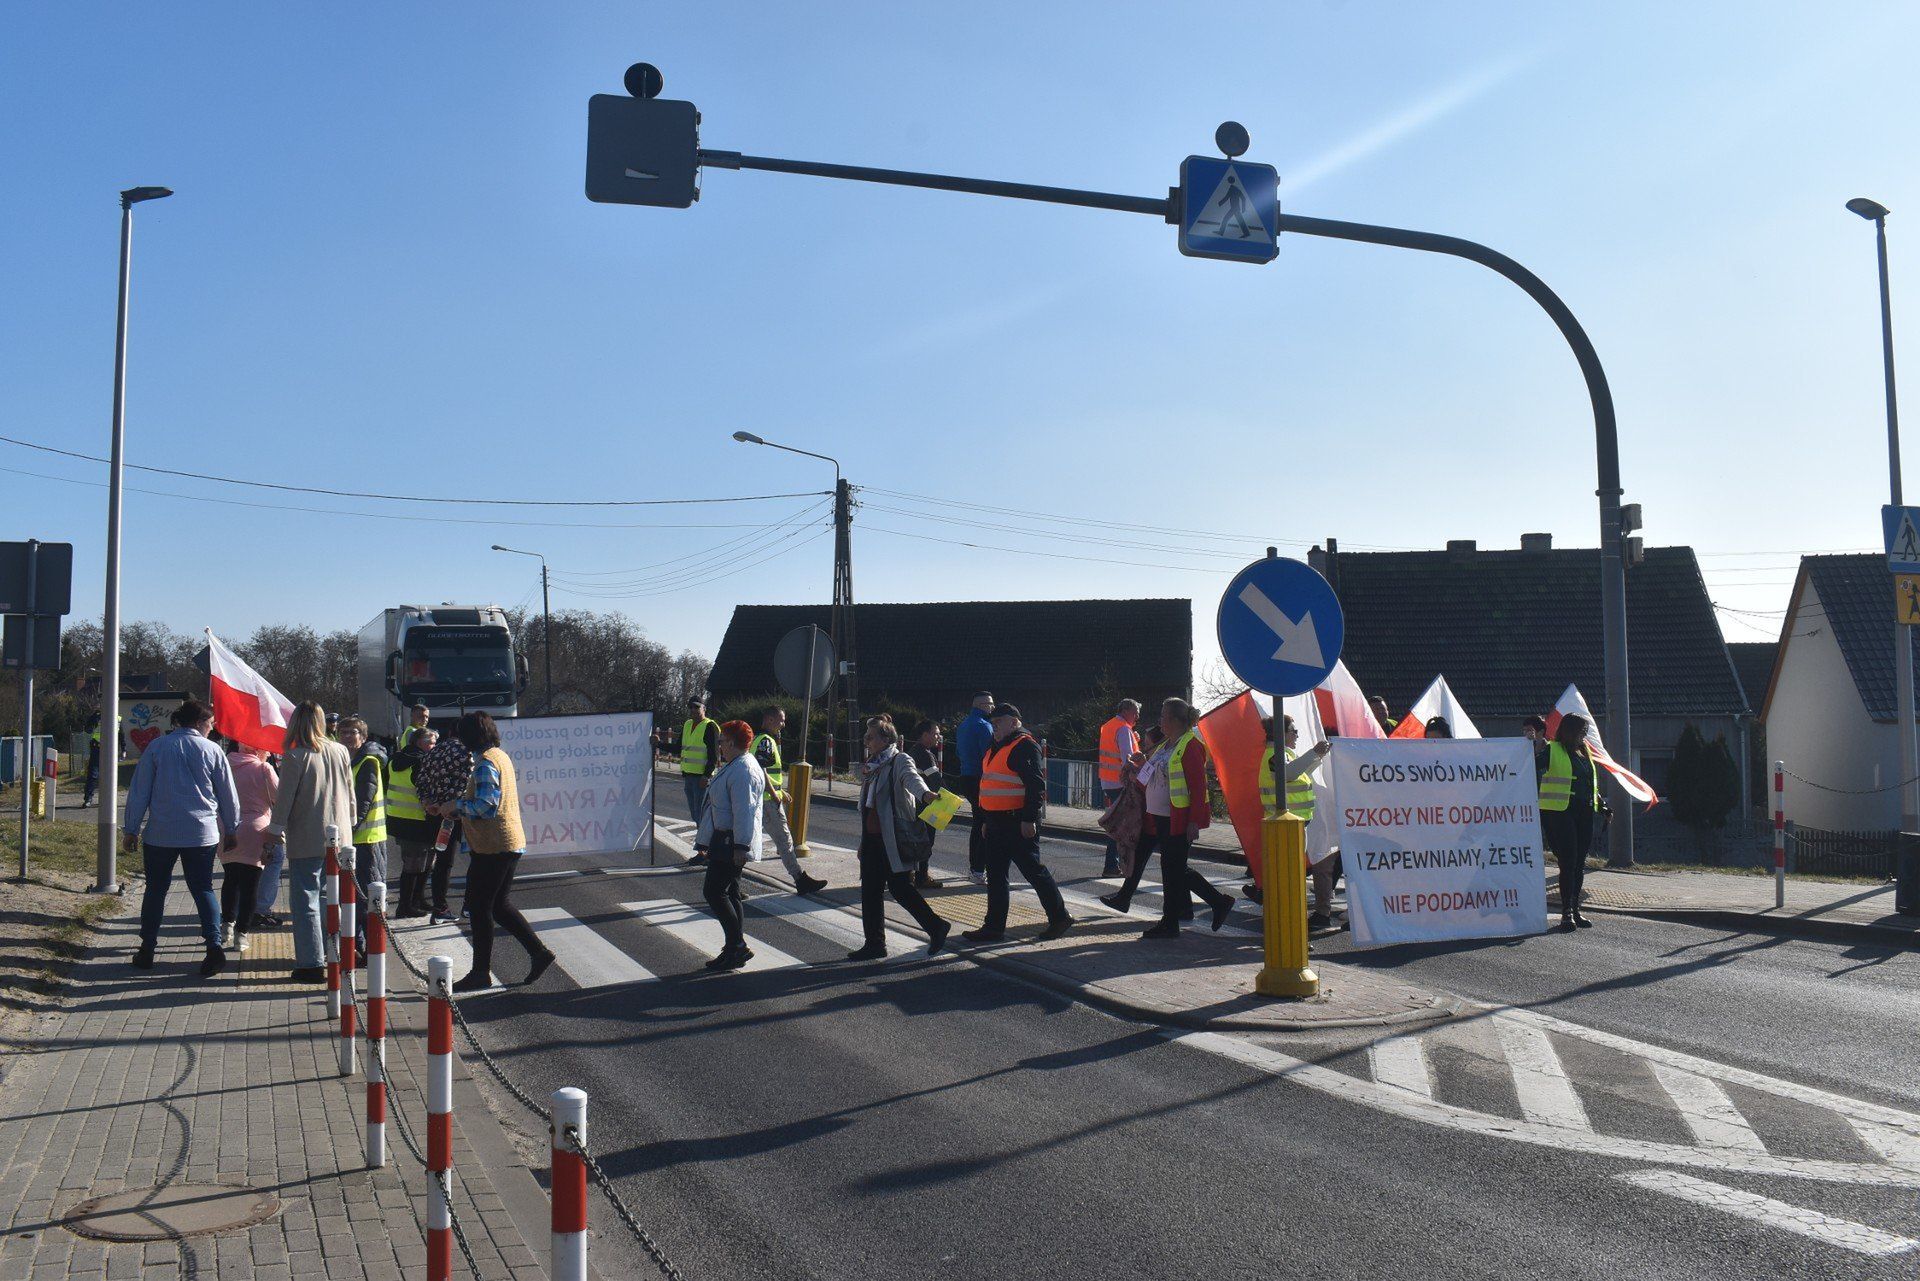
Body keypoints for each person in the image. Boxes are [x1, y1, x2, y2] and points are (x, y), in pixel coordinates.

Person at [431, 711, 555, 991]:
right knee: (498, 905)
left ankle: (481, 972)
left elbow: (487, 806)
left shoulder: (486, 763)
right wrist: (457, 805)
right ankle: (538, 953)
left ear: (469, 737)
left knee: (479, 908)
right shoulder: (500, 755)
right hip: (506, 842)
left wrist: (456, 807)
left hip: (494, 846)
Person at [123, 700, 240, 976]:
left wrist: (131, 828)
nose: (212, 729)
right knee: (203, 889)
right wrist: (232, 828)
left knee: (155, 890)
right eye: (211, 724)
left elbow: (140, 791)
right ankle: (213, 948)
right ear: (200, 723)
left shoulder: (157, 748)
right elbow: (227, 794)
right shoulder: (212, 750)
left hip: (160, 833)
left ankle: (147, 949)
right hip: (201, 833)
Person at [961, 704, 1072, 944]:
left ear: (1014, 722)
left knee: (1034, 871)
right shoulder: (996, 747)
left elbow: (1035, 785)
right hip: (996, 822)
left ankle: (1060, 917)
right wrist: (985, 820)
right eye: (993, 722)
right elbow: (989, 786)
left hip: (1016, 820)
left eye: (999, 721)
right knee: (997, 875)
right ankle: (993, 927)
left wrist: (1029, 818)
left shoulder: (1024, 745)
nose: (994, 726)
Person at [266, 702, 356, 983]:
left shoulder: (295, 757)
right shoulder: (340, 750)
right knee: (332, 898)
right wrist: (350, 822)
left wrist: (274, 831)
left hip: (307, 834)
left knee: (306, 899)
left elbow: (285, 800)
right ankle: (335, 955)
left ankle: (310, 962)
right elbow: (349, 792)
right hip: (339, 835)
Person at [1128, 698, 1233, 939]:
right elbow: (1156, 775)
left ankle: (1216, 902)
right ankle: (1174, 920)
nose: (1160, 720)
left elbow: (1198, 787)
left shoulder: (1190, 745)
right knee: (1172, 870)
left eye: (1163, 716)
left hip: (1178, 818)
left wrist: (1194, 822)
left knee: (1175, 869)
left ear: (1175, 720)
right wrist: (1141, 765)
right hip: (1163, 817)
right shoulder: (1167, 744)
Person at [849, 718, 953, 960]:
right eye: (867, 736)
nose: (867, 741)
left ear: (886, 739)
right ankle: (875, 943)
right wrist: (863, 842)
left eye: (871, 736)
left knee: (901, 889)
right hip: (872, 839)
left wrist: (926, 794)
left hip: (892, 838)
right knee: (871, 891)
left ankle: (936, 926)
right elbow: (867, 804)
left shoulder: (900, 759)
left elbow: (912, 779)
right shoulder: (872, 765)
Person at [694, 720, 765, 971]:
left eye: (722, 741)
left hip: (731, 840)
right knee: (731, 892)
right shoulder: (736, 766)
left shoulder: (743, 770)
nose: (720, 745)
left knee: (714, 891)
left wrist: (740, 847)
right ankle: (733, 947)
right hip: (725, 839)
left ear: (733, 743)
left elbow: (744, 811)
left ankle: (737, 946)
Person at [1256, 715, 1338, 929]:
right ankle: (1288, 928)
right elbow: (1288, 773)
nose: (1297, 734)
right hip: (1285, 827)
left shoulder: (1282, 754)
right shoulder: (1275, 755)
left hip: (1291, 826)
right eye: (1293, 731)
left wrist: (1317, 757)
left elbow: (1296, 775)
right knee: (1289, 881)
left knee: (1289, 879)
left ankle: (1287, 927)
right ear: (1280, 734)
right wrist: (1313, 752)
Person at [752, 707, 828, 896]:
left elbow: (766, 772)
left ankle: (730, 882)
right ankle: (800, 880)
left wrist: (780, 790)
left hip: (765, 798)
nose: (783, 724)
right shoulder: (766, 742)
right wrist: (775, 793)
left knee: (749, 841)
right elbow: (762, 770)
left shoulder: (760, 739)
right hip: (768, 801)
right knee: (784, 841)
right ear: (769, 720)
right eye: (781, 720)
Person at [1539, 713, 1600, 931]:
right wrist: (1531, 746)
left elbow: (1589, 785)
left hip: (1584, 813)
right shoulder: (1552, 750)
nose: (1584, 736)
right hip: (1560, 812)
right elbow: (1530, 767)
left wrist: (1602, 806)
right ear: (1570, 731)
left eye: (1586, 732)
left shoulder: (1585, 752)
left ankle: (1575, 910)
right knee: (1568, 861)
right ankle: (1566, 913)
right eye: (1582, 731)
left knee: (1579, 863)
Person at [336, 716, 389, 959]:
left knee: (367, 896)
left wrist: (348, 832)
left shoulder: (367, 762)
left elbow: (362, 803)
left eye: (352, 732)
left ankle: (372, 950)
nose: (347, 736)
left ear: (363, 737)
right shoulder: (345, 760)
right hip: (354, 839)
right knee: (352, 897)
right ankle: (356, 946)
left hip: (366, 840)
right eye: (343, 732)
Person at [220, 740, 278, 954]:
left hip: (227, 829)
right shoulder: (263, 768)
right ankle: (241, 935)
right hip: (256, 829)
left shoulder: (225, 764)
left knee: (230, 880)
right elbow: (279, 797)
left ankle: (226, 925)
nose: (268, 751)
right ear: (257, 749)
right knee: (250, 886)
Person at [413, 729, 475, 924]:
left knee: (443, 862)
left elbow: (420, 781)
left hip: (436, 813)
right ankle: (470, 905)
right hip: (461, 813)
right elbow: (472, 782)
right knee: (477, 859)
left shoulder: (434, 752)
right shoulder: (468, 754)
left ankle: (440, 907)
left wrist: (428, 802)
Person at [387, 725, 438, 918]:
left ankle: (417, 900)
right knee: (415, 865)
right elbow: (425, 791)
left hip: (398, 819)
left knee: (418, 863)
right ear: (419, 743)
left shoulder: (394, 760)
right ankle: (405, 906)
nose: (434, 747)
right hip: (417, 820)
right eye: (431, 743)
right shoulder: (422, 761)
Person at [952, 691, 995, 885]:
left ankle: (974, 867)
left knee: (978, 822)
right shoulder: (985, 727)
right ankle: (978, 869)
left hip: (965, 776)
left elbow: (958, 751)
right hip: (980, 778)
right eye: (990, 704)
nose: (992, 708)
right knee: (986, 824)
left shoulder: (963, 725)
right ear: (980, 705)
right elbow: (988, 755)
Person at [1096, 699, 1142, 877]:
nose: (1137, 716)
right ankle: (1115, 865)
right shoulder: (1123, 729)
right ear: (1125, 710)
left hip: (1108, 781)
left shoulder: (1109, 726)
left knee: (1117, 824)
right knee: (1121, 827)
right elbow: (1127, 760)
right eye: (1135, 712)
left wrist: (1132, 738)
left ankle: (1113, 865)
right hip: (1121, 783)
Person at [678, 696, 719, 867]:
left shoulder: (710, 726)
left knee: (703, 816)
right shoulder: (688, 724)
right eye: (691, 707)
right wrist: (659, 744)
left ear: (704, 708)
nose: (693, 710)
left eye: (697, 707)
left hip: (702, 779)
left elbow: (714, 754)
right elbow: (678, 747)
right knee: (696, 815)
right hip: (689, 777)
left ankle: (708, 853)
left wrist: (706, 775)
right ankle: (704, 852)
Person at [906, 719, 944, 888]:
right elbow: (936, 781)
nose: (939, 737)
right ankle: (922, 877)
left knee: (915, 840)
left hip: (914, 803)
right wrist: (952, 799)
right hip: (928, 805)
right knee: (926, 841)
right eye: (935, 733)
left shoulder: (913, 751)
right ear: (925, 735)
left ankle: (910, 875)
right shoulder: (926, 755)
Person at [83, 712, 102, 807]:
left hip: (110, 750)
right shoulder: (96, 716)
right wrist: (94, 719)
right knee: (93, 775)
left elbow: (121, 734)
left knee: (110, 776)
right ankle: (88, 798)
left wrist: (123, 749)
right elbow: (88, 729)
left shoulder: (117, 718)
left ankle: (108, 800)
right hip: (97, 749)